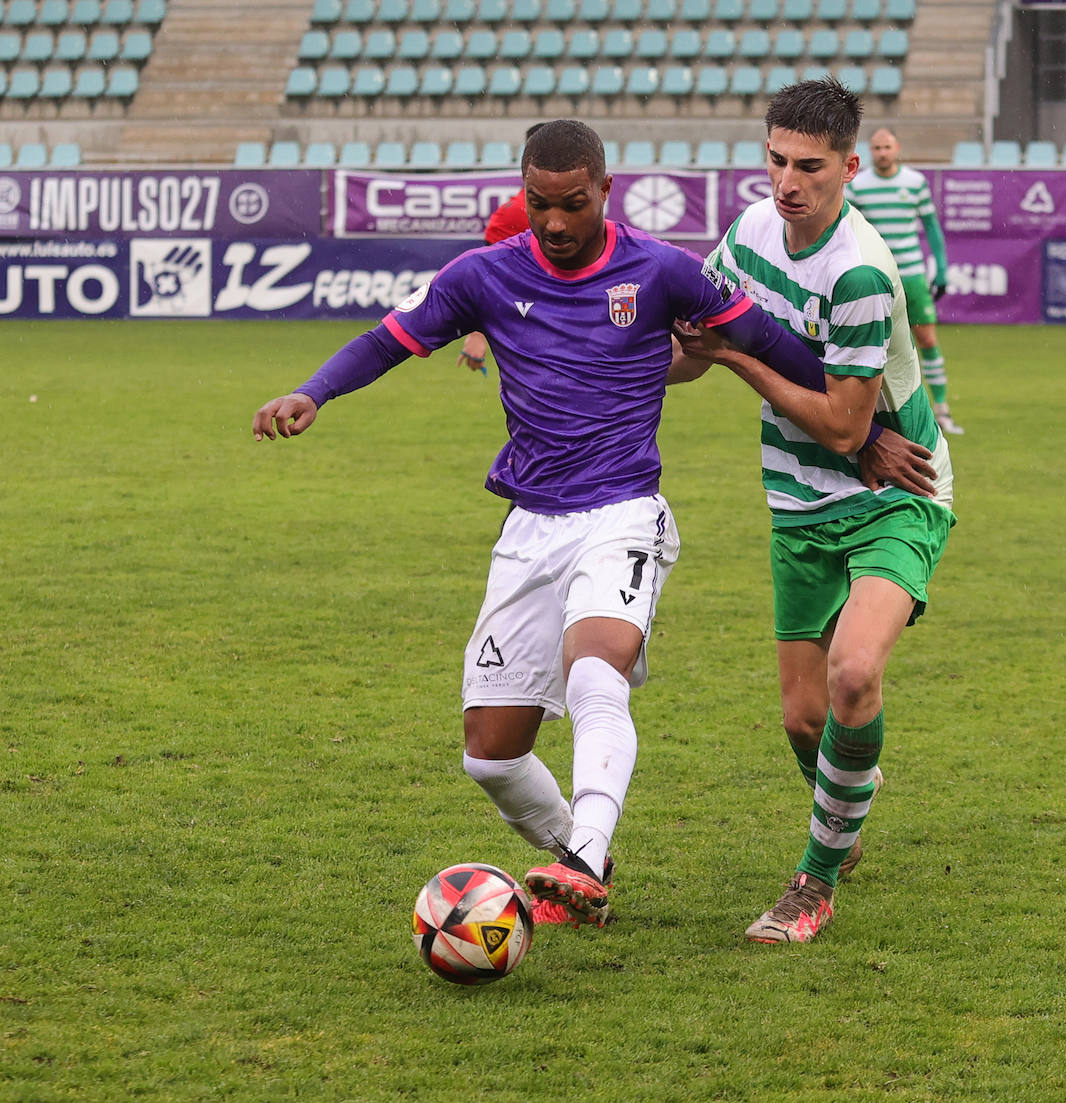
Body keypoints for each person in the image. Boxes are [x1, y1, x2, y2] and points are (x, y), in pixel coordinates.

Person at [252, 118, 935, 932]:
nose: (555, 222)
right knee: (490, 752)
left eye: (573, 203)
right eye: (538, 204)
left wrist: (866, 429)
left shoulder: (662, 269)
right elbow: (389, 340)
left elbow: (770, 343)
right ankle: (583, 865)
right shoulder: (482, 276)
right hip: (529, 525)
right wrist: (313, 392)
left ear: (604, 192)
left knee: (594, 673)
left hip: (623, 513)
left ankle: (580, 858)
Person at [676, 80, 956, 944]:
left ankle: (813, 882)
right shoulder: (750, 230)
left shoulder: (863, 271)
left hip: (893, 496)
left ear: (846, 166)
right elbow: (695, 347)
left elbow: (844, 424)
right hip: (796, 504)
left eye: (809, 167)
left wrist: (737, 359)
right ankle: (847, 803)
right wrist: (605, 367)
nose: (787, 182)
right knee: (803, 720)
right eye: (775, 159)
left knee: (853, 674)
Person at [846, 126, 964, 436]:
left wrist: (941, 267)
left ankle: (942, 411)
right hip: (877, 276)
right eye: (876, 148)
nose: (882, 153)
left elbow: (931, 227)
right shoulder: (858, 186)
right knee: (875, 348)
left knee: (926, 340)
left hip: (911, 275)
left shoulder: (914, 183)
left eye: (886, 147)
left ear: (897, 148)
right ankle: (874, 417)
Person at [457, 123, 546, 374]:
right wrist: (477, 332)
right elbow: (487, 279)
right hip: (535, 341)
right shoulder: (512, 215)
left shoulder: (586, 211)